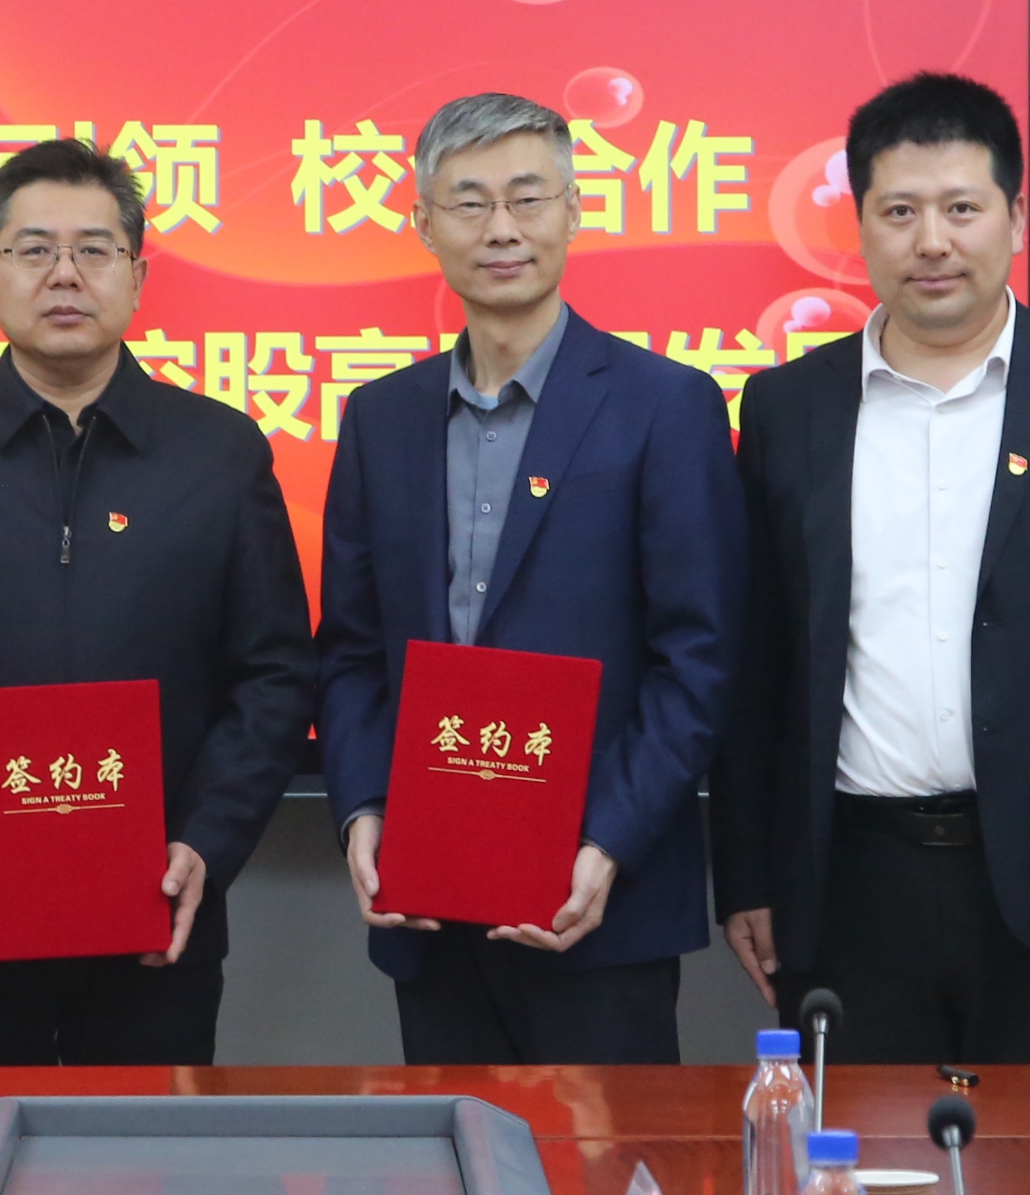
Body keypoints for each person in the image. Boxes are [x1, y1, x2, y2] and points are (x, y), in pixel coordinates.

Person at [710, 72, 1030, 1067]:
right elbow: (756, 663)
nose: (932, 241)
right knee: (870, 1166)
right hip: (852, 886)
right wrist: (747, 873)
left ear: (1015, 218)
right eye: (899, 212)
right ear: (861, 226)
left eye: (961, 208)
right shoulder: (787, 409)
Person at [0, 139, 314, 1066]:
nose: (65, 274)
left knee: (141, 1152)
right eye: (34, 249)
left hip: (158, 911)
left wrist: (205, 840)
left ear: (138, 276)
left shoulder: (219, 452)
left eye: (95, 249)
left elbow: (275, 673)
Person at [320, 92, 747, 1065]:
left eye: (527, 197)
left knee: (601, 1165)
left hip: (599, 901)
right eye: (469, 202)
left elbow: (700, 658)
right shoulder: (381, 417)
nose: (501, 228)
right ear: (423, 222)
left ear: (574, 209)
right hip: (429, 906)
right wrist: (362, 807)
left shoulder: (665, 404)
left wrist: (609, 842)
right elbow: (350, 650)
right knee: (451, 1157)